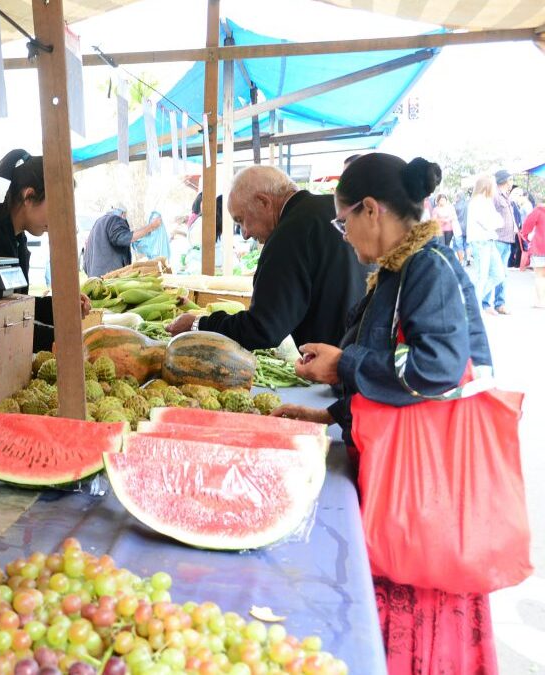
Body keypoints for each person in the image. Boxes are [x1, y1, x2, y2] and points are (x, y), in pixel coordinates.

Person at [272, 153, 496, 674]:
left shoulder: (428, 269)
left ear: (370, 210)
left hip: (425, 496)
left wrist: (343, 362)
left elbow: (434, 367)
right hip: (402, 483)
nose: (343, 234)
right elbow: (390, 364)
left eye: (341, 220)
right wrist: (330, 415)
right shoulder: (398, 269)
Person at [166, 165, 368, 350]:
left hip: (337, 371)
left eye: (241, 220)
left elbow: (263, 328)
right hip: (365, 363)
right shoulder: (331, 209)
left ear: (264, 202)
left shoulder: (289, 233)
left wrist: (198, 324)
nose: (244, 233)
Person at [0, 149, 90, 352]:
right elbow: (4, 322)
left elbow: (17, 305)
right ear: (29, 196)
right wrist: (63, 339)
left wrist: (64, 307)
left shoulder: (15, 237)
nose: (59, 219)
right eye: (58, 208)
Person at [82, 204, 163, 277]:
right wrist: (151, 227)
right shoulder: (114, 219)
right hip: (109, 282)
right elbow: (123, 238)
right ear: (122, 214)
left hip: (94, 282)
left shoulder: (97, 225)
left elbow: (85, 265)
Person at [465, 175, 505, 315]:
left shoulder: (487, 201)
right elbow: (490, 223)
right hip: (481, 241)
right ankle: (472, 308)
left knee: (498, 274)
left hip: (489, 241)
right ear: (487, 186)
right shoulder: (477, 202)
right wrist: (495, 222)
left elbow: (499, 221)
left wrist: (495, 222)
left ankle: (471, 302)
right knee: (482, 276)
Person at [486, 169, 517, 312]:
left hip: (507, 240)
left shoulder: (506, 196)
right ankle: (485, 303)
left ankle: (500, 304)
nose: (512, 182)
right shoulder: (495, 196)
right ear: (504, 180)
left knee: (503, 273)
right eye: (510, 179)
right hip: (498, 239)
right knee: (494, 272)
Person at [521, 196, 545, 308]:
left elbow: (527, 225)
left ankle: (541, 301)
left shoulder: (539, 210)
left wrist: (525, 236)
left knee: (540, 275)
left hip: (540, 247)